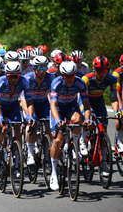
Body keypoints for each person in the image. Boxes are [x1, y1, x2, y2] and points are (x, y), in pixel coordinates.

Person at [49, 60, 92, 191]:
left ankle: (75, 144)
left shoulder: (80, 82)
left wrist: (88, 119)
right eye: (66, 76)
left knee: (78, 118)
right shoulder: (56, 83)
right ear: (62, 75)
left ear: (75, 74)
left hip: (71, 107)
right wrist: (57, 120)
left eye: (71, 76)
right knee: (57, 140)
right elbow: (53, 105)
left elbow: (86, 103)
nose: (69, 79)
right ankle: (54, 173)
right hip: (58, 110)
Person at [0, 61, 35, 173]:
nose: (14, 79)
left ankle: (17, 160)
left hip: (13, 106)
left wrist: (30, 116)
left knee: (17, 130)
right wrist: (0, 118)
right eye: (11, 76)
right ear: (6, 75)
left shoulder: (24, 81)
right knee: (2, 129)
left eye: (16, 76)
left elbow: (29, 101)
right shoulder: (0, 82)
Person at [82, 56, 123, 154]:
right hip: (86, 101)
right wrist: (89, 112)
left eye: (104, 70)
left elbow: (114, 98)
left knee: (103, 129)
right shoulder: (86, 79)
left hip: (99, 101)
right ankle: (82, 142)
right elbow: (83, 99)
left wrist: (116, 111)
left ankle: (104, 160)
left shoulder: (111, 78)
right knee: (88, 122)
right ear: (94, 69)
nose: (102, 73)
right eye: (99, 70)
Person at [23, 56, 55, 164]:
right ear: (34, 68)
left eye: (45, 68)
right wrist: (29, 115)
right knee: (32, 124)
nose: (42, 71)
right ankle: (30, 154)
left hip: (43, 103)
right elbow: (23, 99)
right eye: (40, 68)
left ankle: (47, 155)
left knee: (50, 127)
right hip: (29, 103)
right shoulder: (27, 79)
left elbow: (54, 96)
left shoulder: (50, 78)